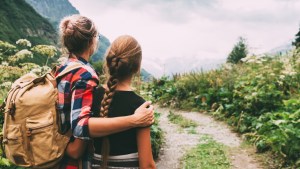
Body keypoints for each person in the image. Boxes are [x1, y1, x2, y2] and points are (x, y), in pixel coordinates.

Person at [56, 15, 154, 169]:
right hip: (73, 163)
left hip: (56, 157)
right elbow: (81, 127)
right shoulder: (85, 75)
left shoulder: (61, 70)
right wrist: (134, 120)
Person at [92, 35, 156, 169]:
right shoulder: (141, 106)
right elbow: (147, 165)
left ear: (109, 62)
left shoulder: (93, 95)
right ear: (137, 67)